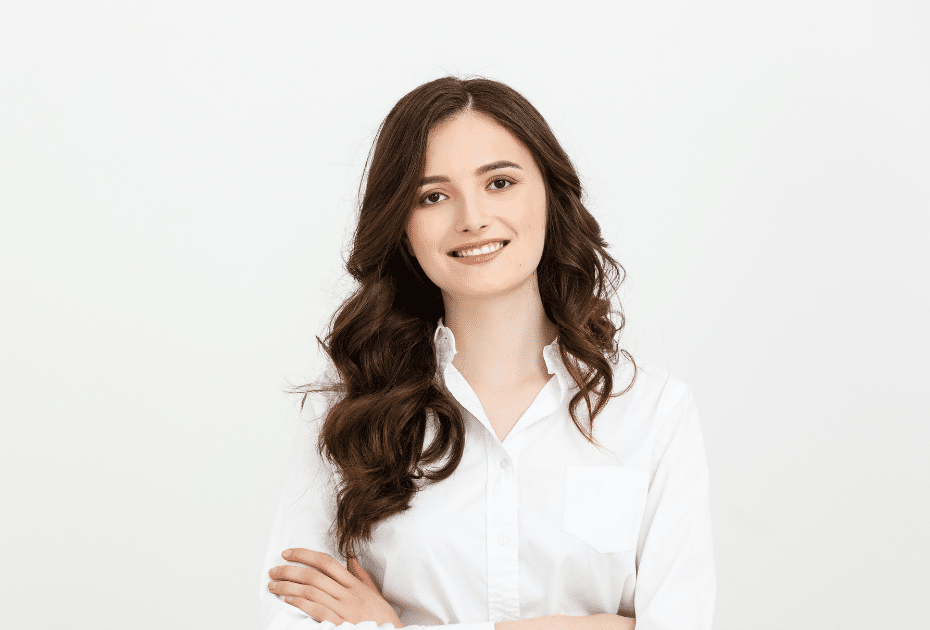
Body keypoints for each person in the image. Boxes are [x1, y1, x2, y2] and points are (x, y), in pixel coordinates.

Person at [259, 77, 715, 630]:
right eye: (433, 196)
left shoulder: (651, 411)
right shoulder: (346, 417)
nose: (471, 218)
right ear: (402, 227)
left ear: (548, 193)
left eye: (499, 182)